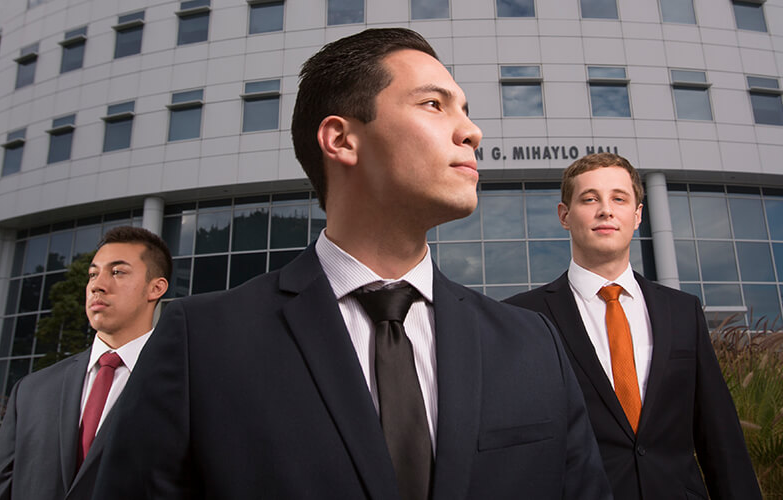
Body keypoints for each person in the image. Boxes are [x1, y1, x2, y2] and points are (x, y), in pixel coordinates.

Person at [91, 28, 610, 499]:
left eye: (466, 110)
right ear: (341, 139)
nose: (471, 132)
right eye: (435, 104)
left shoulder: (532, 344)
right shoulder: (200, 342)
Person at [505, 153, 761, 499]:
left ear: (637, 215)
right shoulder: (523, 317)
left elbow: (720, 437)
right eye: (590, 198)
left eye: (619, 198)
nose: (605, 210)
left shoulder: (683, 311)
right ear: (565, 215)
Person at [0, 226, 171, 500]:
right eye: (93, 274)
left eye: (117, 272)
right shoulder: (30, 391)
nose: (97, 284)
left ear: (156, 288)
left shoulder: (188, 388)